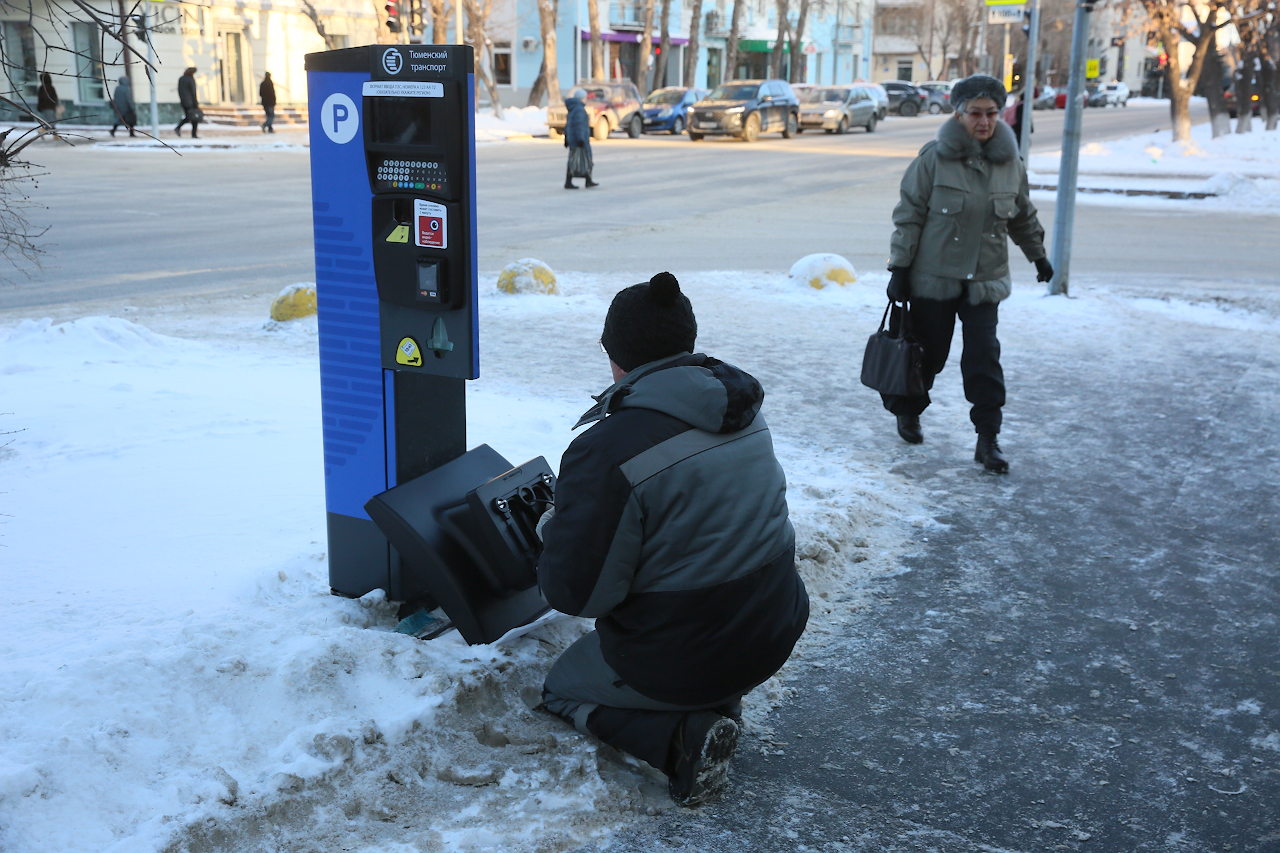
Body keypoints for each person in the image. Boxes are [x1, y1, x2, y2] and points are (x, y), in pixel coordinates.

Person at [537, 271, 808, 806]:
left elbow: (579, 597)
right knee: (699, 624)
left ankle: (681, 739)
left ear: (615, 353)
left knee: (559, 688)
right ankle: (717, 698)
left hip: (686, 654)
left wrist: (554, 530)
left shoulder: (610, 448)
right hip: (774, 627)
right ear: (686, 344)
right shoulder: (742, 409)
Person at [883, 74, 1053, 474]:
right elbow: (909, 216)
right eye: (975, 113)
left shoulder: (1010, 164)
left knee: (983, 358)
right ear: (957, 114)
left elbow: (1022, 216)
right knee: (929, 355)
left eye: (992, 113)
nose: (984, 121)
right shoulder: (933, 158)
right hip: (934, 277)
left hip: (984, 280)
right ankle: (908, 411)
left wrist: (1038, 256)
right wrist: (900, 268)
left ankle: (987, 438)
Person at [563, 89, 597, 189]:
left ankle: (571, 181)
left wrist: (566, 138)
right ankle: (587, 180)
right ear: (582, 98)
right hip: (580, 140)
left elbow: (568, 125)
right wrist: (581, 139)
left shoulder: (573, 109)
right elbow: (579, 126)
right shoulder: (579, 110)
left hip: (573, 139)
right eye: (585, 98)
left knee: (573, 161)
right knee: (587, 160)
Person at [175, 67, 201, 138]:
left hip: (184, 102)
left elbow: (179, 91)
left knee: (189, 117)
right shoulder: (190, 79)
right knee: (193, 118)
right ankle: (193, 134)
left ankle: (179, 128)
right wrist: (196, 103)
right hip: (191, 103)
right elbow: (193, 92)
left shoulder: (181, 79)